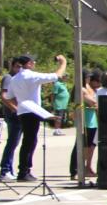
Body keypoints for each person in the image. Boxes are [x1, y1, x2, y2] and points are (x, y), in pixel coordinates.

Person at [8, 53, 67, 182]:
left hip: (22, 111)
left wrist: (19, 105)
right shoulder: (32, 76)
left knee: (28, 141)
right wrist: (63, 63)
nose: (34, 64)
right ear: (29, 63)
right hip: (32, 110)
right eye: (33, 62)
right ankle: (24, 170)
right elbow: (56, 76)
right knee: (30, 141)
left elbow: (9, 96)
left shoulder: (14, 78)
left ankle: (24, 169)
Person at [0, 57, 22, 179]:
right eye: (17, 66)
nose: (19, 69)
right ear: (12, 66)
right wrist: (15, 109)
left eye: (21, 67)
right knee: (12, 142)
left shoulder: (18, 79)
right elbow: (4, 96)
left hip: (19, 114)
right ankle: (5, 169)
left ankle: (9, 169)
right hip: (13, 114)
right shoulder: (9, 78)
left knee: (15, 142)